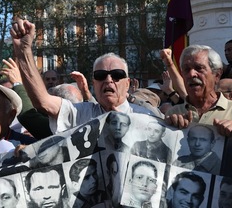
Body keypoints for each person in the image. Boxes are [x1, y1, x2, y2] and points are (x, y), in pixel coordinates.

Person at [10, 18, 155, 134]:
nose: (109, 80)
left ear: (128, 84)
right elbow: (43, 101)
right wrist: (24, 52)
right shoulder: (80, 113)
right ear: (94, 83)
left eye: (117, 75)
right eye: (101, 75)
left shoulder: (147, 118)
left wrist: (177, 121)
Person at [164, 44, 232, 136]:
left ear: (217, 75)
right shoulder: (173, 113)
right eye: (186, 69)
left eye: (199, 68)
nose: (191, 74)